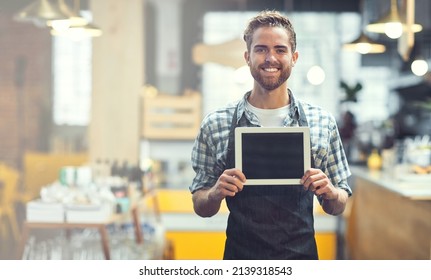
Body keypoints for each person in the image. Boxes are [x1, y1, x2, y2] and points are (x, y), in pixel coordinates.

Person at [189, 10, 352, 260]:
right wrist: (215, 193)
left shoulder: (322, 122)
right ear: (247, 56)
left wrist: (330, 192)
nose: (270, 58)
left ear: (294, 57)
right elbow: (201, 207)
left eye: (280, 49)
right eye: (261, 49)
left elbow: (339, 204)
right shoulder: (216, 123)